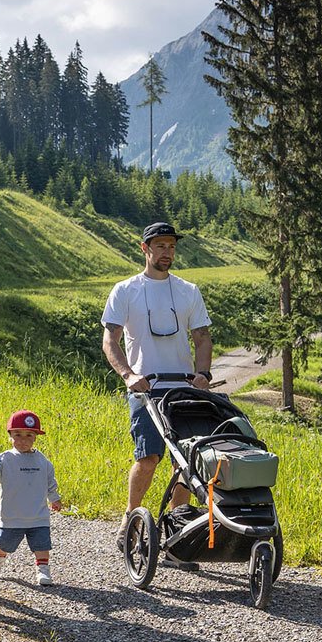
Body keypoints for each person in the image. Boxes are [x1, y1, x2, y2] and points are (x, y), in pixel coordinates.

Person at [101, 222, 213, 562]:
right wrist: (128, 375)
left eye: (171, 246)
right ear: (144, 248)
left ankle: (179, 531)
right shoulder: (126, 290)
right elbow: (111, 340)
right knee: (148, 458)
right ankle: (131, 518)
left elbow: (203, 337)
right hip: (146, 390)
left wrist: (203, 374)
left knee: (189, 463)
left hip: (184, 389)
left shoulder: (188, 291)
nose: (166, 252)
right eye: (159, 246)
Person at [0, 409, 62, 586]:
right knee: (5, 544)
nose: (23, 440)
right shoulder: (5, 459)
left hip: (38, 517)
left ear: (36, 437)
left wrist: (54, 498)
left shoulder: (43, 462)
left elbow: (50, 482)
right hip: (12, 518)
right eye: (18, 435)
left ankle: (43, 570)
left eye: (29, 435)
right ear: (10, 436)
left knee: (42, 545)